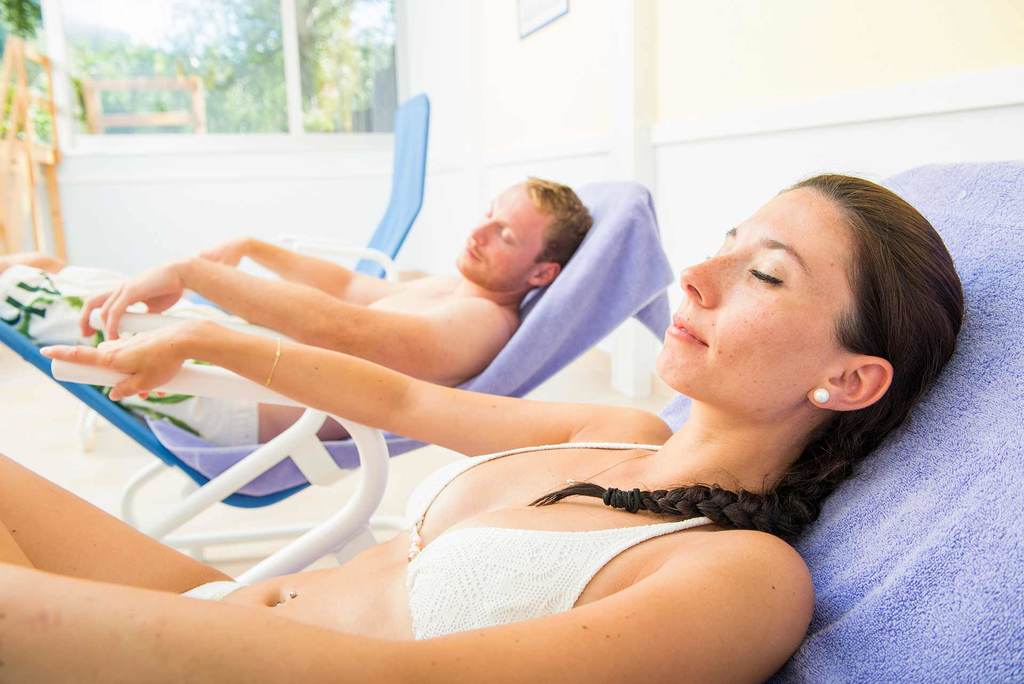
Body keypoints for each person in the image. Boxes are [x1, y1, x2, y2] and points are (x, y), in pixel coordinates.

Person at [1, 174, 963, 682]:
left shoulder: (742, 576)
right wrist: (206, 341)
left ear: (849, 378)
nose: (699, 279)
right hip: (217, 604)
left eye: (766, 273)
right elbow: (406, 402)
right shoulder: (616, 428)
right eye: (725, 243)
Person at [0, 177, 592, 445]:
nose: (479, 232)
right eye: (488, 212)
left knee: (24, 293)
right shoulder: (456, 287)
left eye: (506, 235)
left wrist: (194, 273)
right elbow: (346, 288)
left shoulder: (481, 321)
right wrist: (253, 248)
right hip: (233, 358)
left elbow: (341, 328)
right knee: (52, 267)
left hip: (228, 393)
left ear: (542, 274)